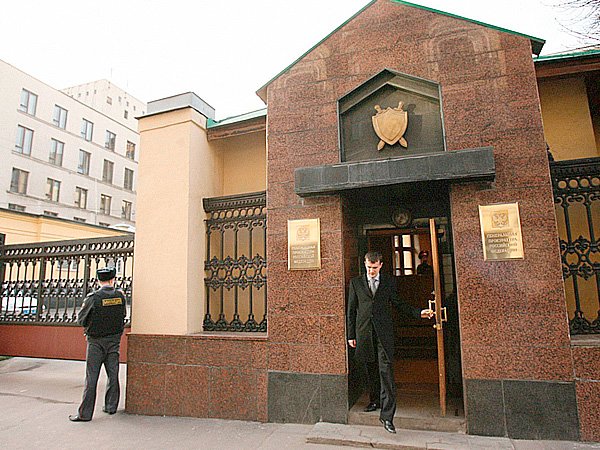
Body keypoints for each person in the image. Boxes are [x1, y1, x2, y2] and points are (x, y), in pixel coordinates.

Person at [347, 251, 433, 434]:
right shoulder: (355, 283)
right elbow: (351, 310)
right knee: (371, 369)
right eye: (368, 267)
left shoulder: (388, 282)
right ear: (365, 264)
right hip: (364, 334)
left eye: (374, 267)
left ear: (381, 265)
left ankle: (387, 417)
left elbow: (398, 303)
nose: (371, 271)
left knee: (385, 371)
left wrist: (418, 313)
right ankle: (375, 400)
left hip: (384, 334)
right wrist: (351, 335)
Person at [69, 267, 126, 422]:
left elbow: (81, 320)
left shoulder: (93, 298)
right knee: (113, 374)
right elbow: (123, 316)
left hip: (95, 342)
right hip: (113, 341)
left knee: (92, 377)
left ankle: (85, 414)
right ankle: (111, 406)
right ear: (113, 279)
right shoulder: (120, 296)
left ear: (98, 280)